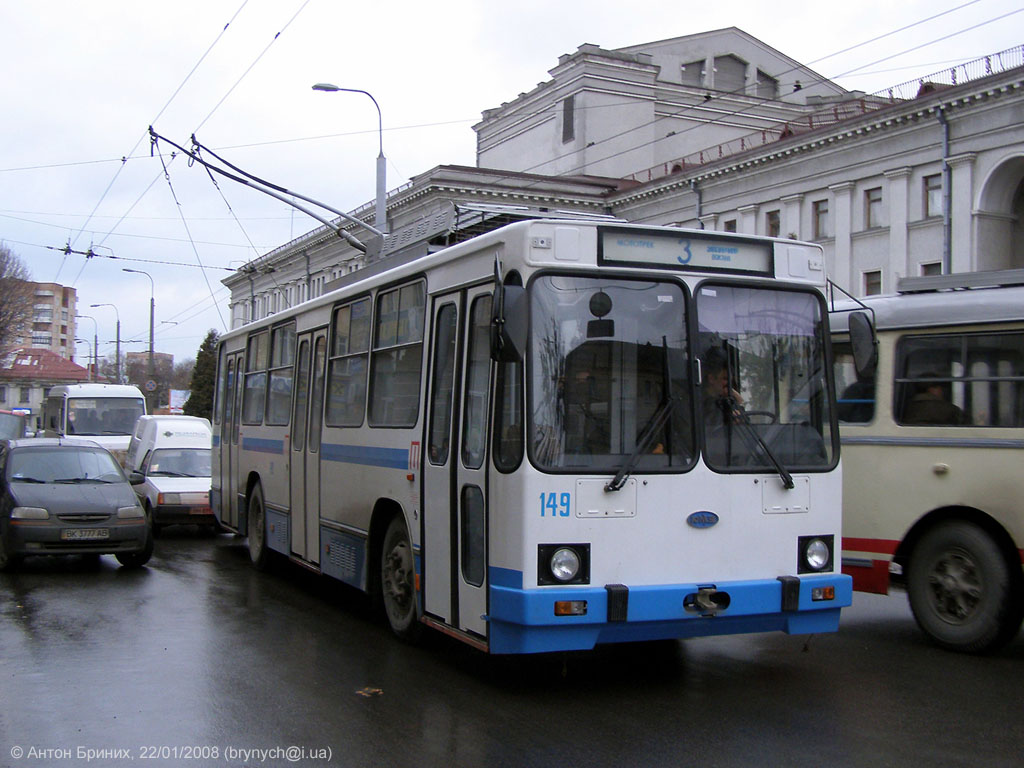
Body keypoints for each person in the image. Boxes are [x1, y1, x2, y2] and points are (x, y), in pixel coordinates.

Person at [902, 375, 967, 425]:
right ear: (931, 389)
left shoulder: (906, 407)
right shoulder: (949, 409)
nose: (942, 391)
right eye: (939, 388)